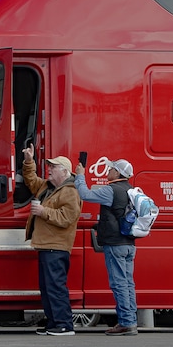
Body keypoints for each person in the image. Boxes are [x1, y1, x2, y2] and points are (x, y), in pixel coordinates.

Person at [22, 143, 82, 336]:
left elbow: (67, 218)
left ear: (64, 172)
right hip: (47, 245)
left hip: (56, 246)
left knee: (55, 286)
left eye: (53, 167)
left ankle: (64, 324)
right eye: (49, 166)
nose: (49, 169)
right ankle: (54, 323)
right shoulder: (48, 187)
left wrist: (43, 211)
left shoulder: (71, 191)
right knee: (48, 287)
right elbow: (30, 180)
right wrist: (29, 161)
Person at [74, 158, 138, 336]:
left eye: (110, 168)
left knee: (118, 284)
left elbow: (85, 194)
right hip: (129, 243)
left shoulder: (111, 190)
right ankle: (131, 320)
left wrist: (80, 176)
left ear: (117, 173)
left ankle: (126, 323)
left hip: (115, 244)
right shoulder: (130, 189)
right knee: (128, 283)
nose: (107, 171)